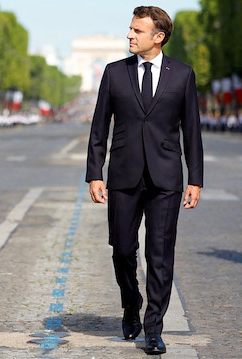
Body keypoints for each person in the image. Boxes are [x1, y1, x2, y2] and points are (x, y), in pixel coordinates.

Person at [85, 6, 203, 355]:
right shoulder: (113, 73)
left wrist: (195, 178)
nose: (129, 36)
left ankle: (154, 328)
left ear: (158, 36)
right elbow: (98, 128)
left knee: (160, 255)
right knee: (122, 249)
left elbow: (192, 131)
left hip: (166, 177)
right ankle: (130, 300)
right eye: (130, 29)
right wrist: (95, 173)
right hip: (123, 174)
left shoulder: (182, 74)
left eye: (137, 31)